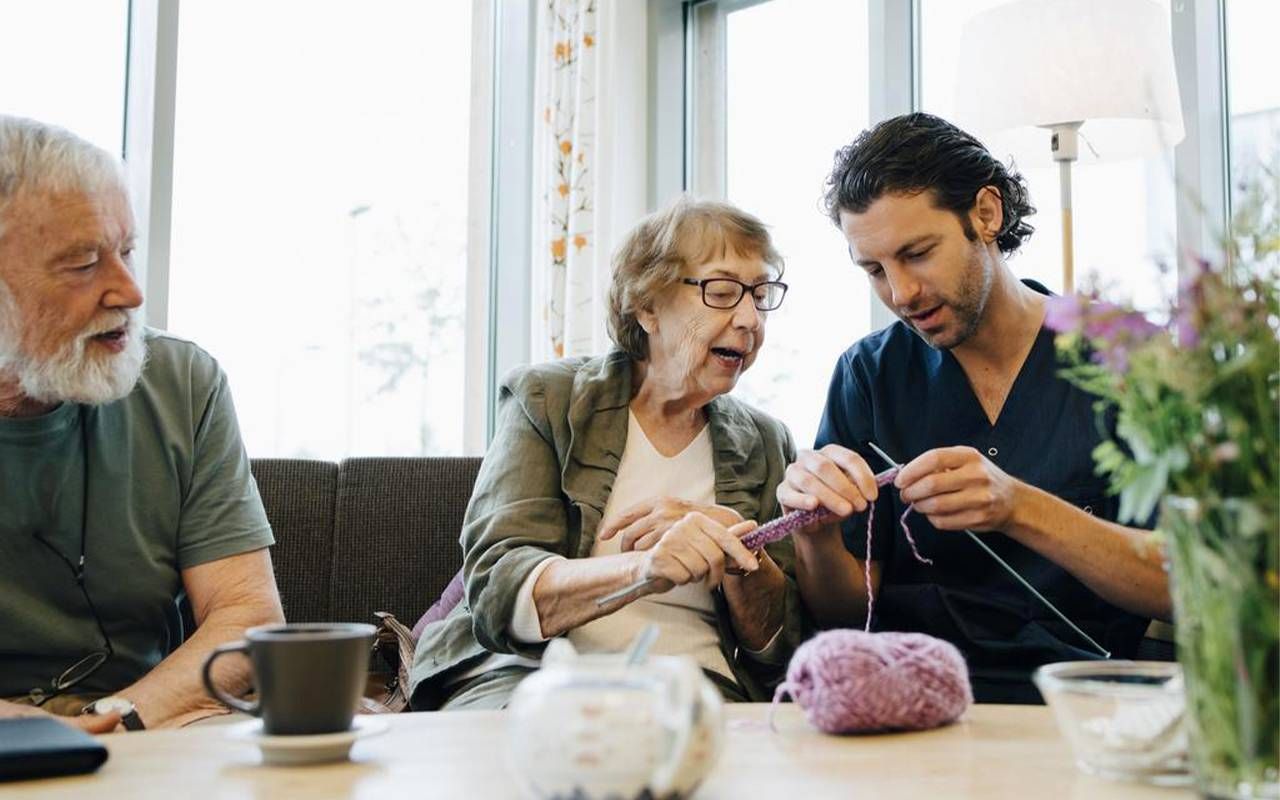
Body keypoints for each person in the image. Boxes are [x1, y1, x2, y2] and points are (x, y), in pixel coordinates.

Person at [778, 113, 1171, 703]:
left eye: (918, 253)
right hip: (907, 707)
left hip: (1081, 706)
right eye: (874, 270)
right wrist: (815, 534)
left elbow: (1188, 583)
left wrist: (1016, 507)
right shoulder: (869, 375)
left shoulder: (1130, 359)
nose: (901, 292)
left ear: (986, 214)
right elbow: (843, 614)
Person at [409, 197, 802, 710]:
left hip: (695, 689)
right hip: (529, 675)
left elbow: (779, 652)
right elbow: (497, 587)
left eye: (761, 295)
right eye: (723, 291)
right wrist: (643, 570)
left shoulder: (768, 441)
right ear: (647, 305)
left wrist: (743, 562)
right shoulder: (546, 399)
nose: (751, 318)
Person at [0, 116, 284, 732]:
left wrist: (119, 721)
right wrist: (32, 734)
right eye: (82, 265)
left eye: (125, 251)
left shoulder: (182, 382)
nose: (128, 291)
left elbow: (246, 614)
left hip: (151, 725)